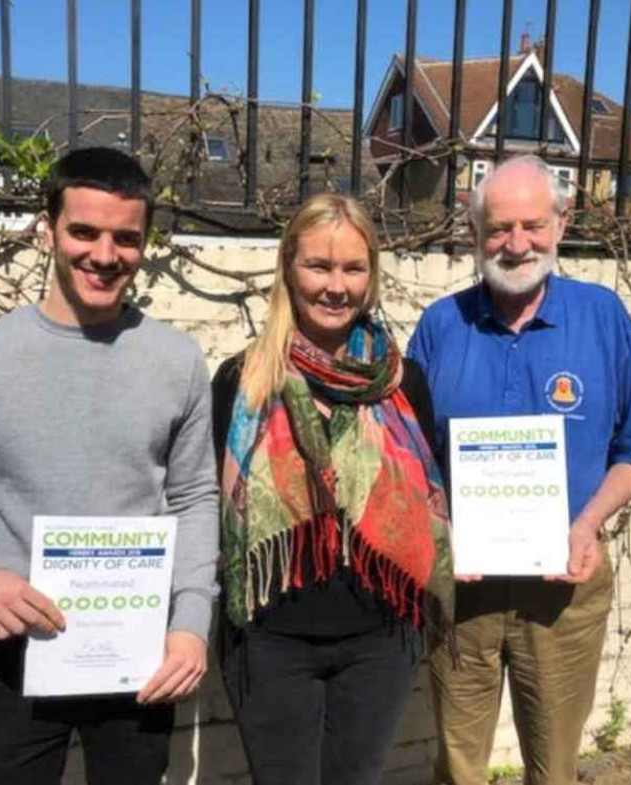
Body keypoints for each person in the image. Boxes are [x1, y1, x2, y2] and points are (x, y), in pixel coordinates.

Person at [0, 146, 219, 785]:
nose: (105, 255)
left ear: (145, 243)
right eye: (84, 231)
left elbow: (194, 500)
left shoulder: (175, 362)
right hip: (12, 650)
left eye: (125, 238)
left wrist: (190, 624)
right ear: (46, 229)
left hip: (136, 653)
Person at [407, 154, 631, 785]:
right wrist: (440, 531)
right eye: (498, 228)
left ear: (561, 223)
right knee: (459, 766)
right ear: (473, 232)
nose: (515, 244)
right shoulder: (441, 326)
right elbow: (409, 458)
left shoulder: (602, 317)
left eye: (531, 225)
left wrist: (589, 522)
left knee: (554, 766)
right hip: (462, 590)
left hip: (564, 589)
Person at [212, 193, 454, 785]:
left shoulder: (403, 382)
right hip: (270, 641)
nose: (335, 286)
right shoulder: (242, 381)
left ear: (371, 275)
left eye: (353, 267)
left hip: (381, 638)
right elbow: (210, 510)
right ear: (288, 269)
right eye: (318, 266)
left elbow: (431, 502)